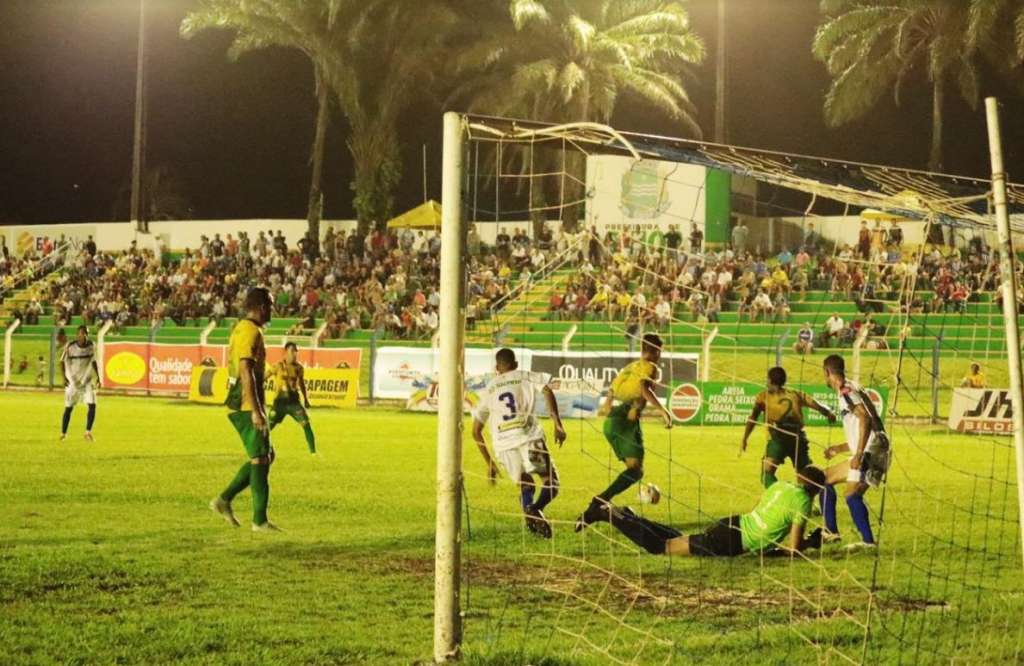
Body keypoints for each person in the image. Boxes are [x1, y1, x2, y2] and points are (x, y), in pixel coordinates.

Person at [596, 466, 827, 557]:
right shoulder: (804, 502)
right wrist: (809, 542)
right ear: (816, 490)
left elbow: (759, 509)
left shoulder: (781, 485)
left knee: (676, 538)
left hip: (734, 524)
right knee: (662, 548)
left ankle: (628, 515)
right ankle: (611, 515)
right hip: (731, 541)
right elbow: (794, 548)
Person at [576, 334, 674, 531]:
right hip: (625, 419)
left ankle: (601, 504)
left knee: (633, 468)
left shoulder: (630, 367)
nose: (660, 355)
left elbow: (611, 391)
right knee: (636, 470)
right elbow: (643, 387)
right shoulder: (651, 367)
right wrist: (663, 410)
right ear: (655, 351)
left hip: (611, 422)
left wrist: (609, 405)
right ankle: (598, 502)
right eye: (660, 351)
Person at [472, 348, 567, 538]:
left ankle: (531, 519)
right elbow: (547, 389)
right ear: (515, 364)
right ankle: (535, 510)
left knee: (525, 484)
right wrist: (557, 423)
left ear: (496, 368)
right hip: (528, 436)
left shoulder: (489, 389)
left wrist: (489, 462)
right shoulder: (524, 375)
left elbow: (475, 432)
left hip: (503, 445)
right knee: (551, 483)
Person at [210, 287, 280, 532]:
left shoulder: (246, 328)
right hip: (244, 401)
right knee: (260, 458)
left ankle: (224, 500)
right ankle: (259, 521)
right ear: (261, 306)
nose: (273, 309)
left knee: (266, 456)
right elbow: (245, 369)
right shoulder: (250, 331)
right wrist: (255, 409)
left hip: (244, 400)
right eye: (270, 304)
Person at [819, 354, 891, 550]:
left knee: (852, 495)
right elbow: (860, 425)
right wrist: (839, 449)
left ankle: (868, 542)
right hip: (873, 447)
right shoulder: (851, 387)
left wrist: (858, 454)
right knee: (823, 479)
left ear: (827, 372)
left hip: (872, 450)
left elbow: (865, 419)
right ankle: (831, 532)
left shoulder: (846, 391)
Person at [741, 367, 836, 488]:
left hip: (778, 438)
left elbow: (753, 417)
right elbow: (814, 404)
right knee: (806, 476)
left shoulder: (763, 396)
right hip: (798, 438)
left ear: (770, 380)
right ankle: (806, 497)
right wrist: (828, 413)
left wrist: (744, 438)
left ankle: (781, 496)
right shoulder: (794, 394)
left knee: (767, 472)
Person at [268, 342, 317, 455]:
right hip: (279, 403)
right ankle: (260, 448)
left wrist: (306, 399)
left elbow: (301, 384)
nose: (295, 354)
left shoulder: (299, 368)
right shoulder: (278, 366)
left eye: (296, 352)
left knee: (306, 424)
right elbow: (265, 377)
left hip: (294, 403)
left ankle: (313, 452)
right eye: (292, 351)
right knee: (267, 427)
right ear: (286, 352)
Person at [59, 325, 100, 441]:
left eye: (86, 334)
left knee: (92, 404)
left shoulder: (92, 346)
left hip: (86, 380)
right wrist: (64, 378)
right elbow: (61, 362)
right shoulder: (70, 346)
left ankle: (88, 432)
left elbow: (94, 362)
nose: (84, 336)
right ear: (78, 334)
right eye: (82, 333)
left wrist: (99, 377)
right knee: (69, 408)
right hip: (73, 381)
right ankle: (63, 433)